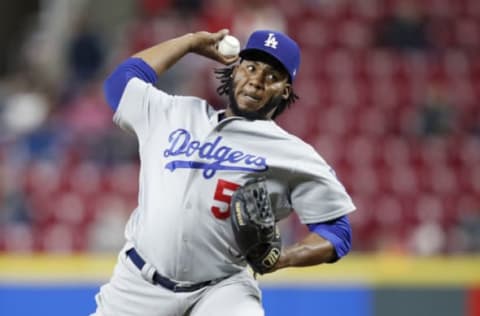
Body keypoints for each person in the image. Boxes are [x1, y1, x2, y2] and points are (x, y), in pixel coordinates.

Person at [92, 29, 356, 316]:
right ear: (233, 70)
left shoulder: (294, 154)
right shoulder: (175, 112)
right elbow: (119, 84)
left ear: (284, 91)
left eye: (271, 76)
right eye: (251, 67)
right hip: (139, 284)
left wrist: (283, 259)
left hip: (221, 290)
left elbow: (336, 233)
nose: (256, 81)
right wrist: (190, 43)